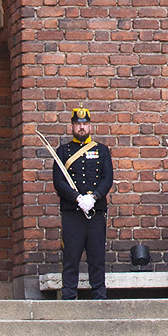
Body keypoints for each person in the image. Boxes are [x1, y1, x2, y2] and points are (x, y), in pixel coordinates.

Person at [51, 106, 113, 299]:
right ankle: (69, 296)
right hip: (72, 212)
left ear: (90, 126)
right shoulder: (63, 152)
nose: (81, 128)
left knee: (96, 257)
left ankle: (99, 296)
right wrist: (77, 198)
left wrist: (93, 197)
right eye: (78, 124)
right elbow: (58, 181)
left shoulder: (101, 151)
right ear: (72, 126)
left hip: (95, 212)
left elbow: (107, 178)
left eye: (85, 124)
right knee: (71, 256)